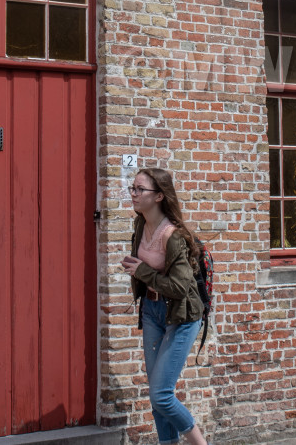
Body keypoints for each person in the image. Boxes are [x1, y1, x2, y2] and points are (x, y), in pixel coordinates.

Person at [121, 167, 208, 445]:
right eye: (132, 188)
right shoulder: (140, 224)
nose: (133, 194)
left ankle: (199, 443)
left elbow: (181, 288)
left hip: (181, 316)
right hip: (152, 312)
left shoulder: (172, 235)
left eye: (140, 189)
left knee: (161, 393)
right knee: (156, 393)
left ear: (159, 196)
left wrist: (142, 272)